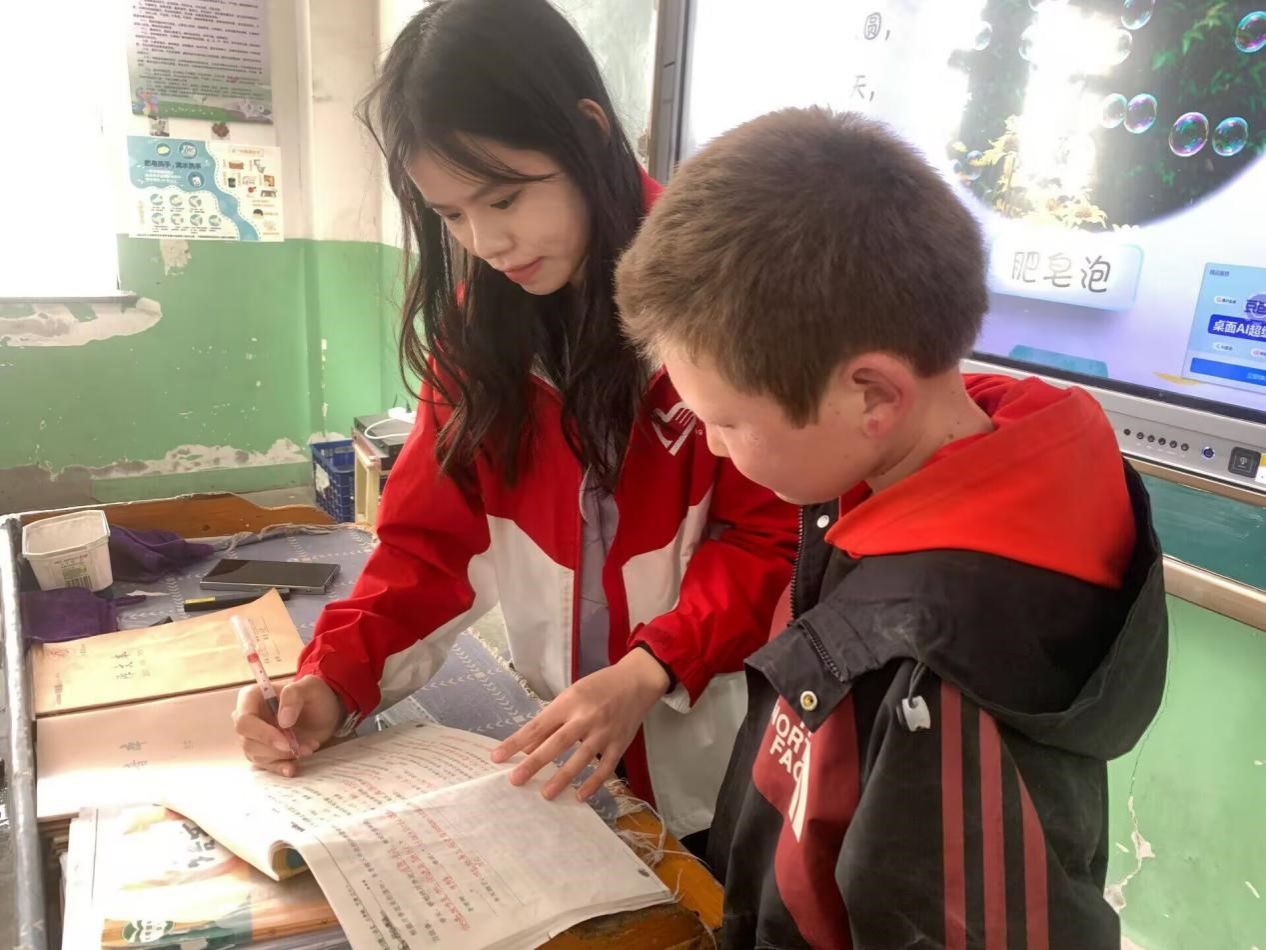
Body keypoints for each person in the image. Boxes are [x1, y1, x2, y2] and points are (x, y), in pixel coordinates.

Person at [231, 0, 796, 844]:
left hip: (716, 745)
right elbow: (427, 544)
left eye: (503, 198)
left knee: (702, 889)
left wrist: (651, 667)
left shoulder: (714, 298)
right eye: (452, 215)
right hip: (565, 750)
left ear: (588, 133)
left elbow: (772, 537)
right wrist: (332, 682)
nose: (487, 241)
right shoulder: (481, 329)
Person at [616, 107, 1167, 947]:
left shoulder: (948, 676)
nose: (716, 450)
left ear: (872, 396)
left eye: (725, 422)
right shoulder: (877, 484)